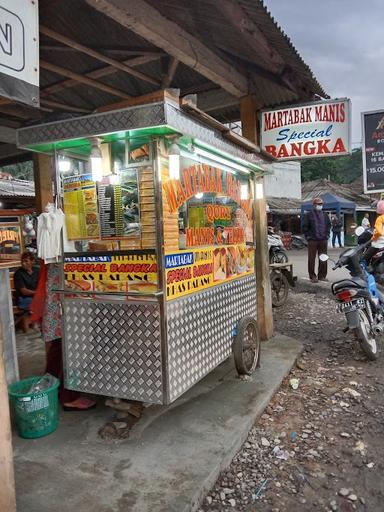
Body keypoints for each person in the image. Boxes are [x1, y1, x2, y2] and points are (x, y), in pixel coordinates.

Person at [302, 197, 331, 283]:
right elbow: (304, 227)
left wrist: (327, 235)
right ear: (314, 205)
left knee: (323, 258)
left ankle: (322, 275)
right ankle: (312, 276)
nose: (320, 206)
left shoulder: (325, 215)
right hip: (313, 240)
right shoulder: (308, 215)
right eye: (318, 204)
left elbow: (328, 226)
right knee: (312, 258)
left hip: (323, 240)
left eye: (321, 204)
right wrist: (308, 237)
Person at [14, 252, 39, 332]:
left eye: (26, 261)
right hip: (23, 298)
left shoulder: (37, 270)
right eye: (22, 261)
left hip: (36, 296)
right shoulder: (18, 273)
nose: (23, 263)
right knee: (37, 302)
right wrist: (37, 293)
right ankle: (32, 325)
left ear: (32, 261)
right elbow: (23, 291)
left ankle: (35, 324)